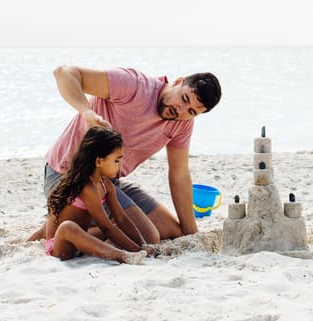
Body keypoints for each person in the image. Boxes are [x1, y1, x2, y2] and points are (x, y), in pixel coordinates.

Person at [28, 65, 222, 245]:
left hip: (108, 183)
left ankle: (64, 224)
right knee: (148, 236)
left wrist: (192, 236)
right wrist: (87, 112)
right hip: (67, 176)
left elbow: (179, 175)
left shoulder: (183, 122)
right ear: (178, 82)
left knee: (172, 230)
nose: (180, 110)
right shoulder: (134, 86)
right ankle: (65, 229)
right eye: (184, 98)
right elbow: (64, 73)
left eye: (191, 111)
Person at [45, 126, 148, 264]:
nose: (120, 165)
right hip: (61, 247)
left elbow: (121, 218)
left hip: (81, 240)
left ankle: (126, 251)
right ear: (99, 161)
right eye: (116, 160)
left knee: (115, 226)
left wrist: (143, 246)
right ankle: (122, 256)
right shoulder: (87, 187)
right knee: (68, 226)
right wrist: (135, 250)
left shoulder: (106, 184)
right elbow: (106, 228)